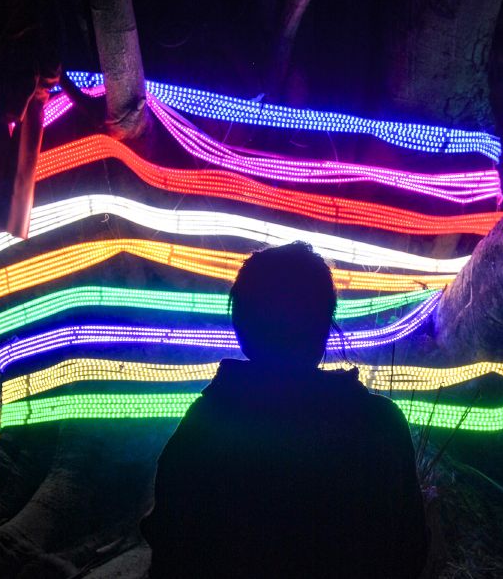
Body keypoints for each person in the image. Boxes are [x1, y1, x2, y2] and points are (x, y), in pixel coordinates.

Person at [142, 242, 428, 578]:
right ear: (323, 326)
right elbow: (409, 550)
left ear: (242, 327)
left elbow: (171, 550)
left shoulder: (207, 427)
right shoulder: (381, 425)